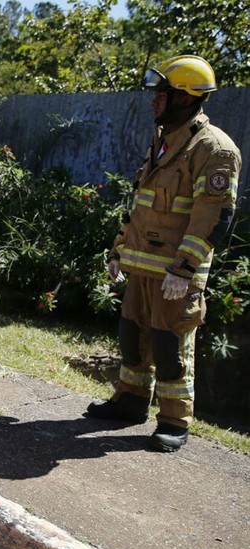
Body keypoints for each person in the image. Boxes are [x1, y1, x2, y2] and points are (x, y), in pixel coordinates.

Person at [86, 55, 241, 452]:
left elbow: (212, 216)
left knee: (171, 347)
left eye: (163, 93)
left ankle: (174, 420)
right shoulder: (164, 141)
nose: (154, 100)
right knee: (133, 337)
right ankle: (131, 402)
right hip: (142, 267)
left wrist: (184, 269)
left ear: (186, 98)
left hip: (176, 275)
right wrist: (119, 250)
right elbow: (141, 204)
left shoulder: (213, 149)